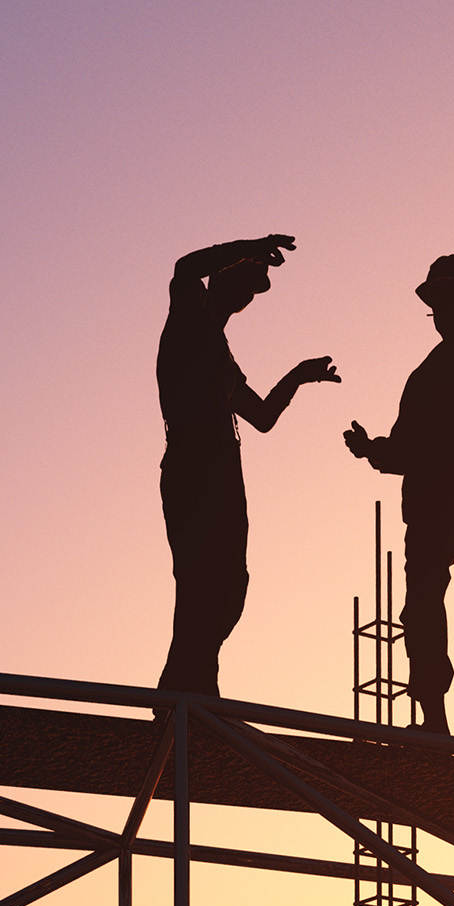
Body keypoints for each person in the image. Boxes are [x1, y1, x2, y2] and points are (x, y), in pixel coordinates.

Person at [343, 255, 454, 738]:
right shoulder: (423, 378)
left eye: (446, 303)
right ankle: (435, 721)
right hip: (430, 512)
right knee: (425, 609)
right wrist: (371, 451)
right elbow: (404, 450)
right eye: (435, 306)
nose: (440, 314)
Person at [154, 235, 340, 696]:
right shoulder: (188, 321)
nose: (247, 298)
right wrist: (252, 245)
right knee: (200, 580)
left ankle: (191, 683)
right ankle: (186, 692)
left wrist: (297, 375)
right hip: (193, 466)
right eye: (244, 284)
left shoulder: (221, 353)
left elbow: (262, 417)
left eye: (252, 292)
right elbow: (184, 265)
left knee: (230, 584)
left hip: (222, 471)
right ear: (223, 280)